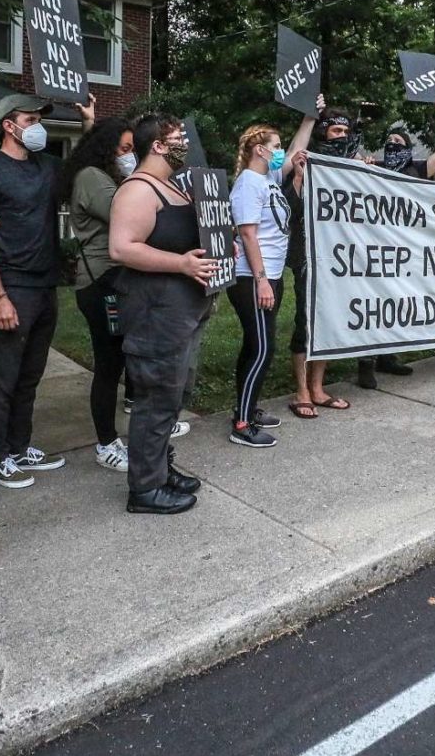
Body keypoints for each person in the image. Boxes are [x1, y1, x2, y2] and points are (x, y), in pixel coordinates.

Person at [0, 93, 84, 488]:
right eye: (29, 118)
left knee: (31, 373)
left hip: (44, 283)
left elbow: (82, 170)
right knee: (5, 373)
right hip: (11, 285)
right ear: (8, 125)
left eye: (39, 119)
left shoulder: (45, 167)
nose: (37, 125)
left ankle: (19, 447)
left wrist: (88, 122)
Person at [109, 114, 219, 514]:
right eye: (177, 139)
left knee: (172, 397)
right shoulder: (137, 190)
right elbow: (122, 248)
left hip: (184, 311)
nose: (184, 145)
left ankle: (158, 468)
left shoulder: (172, 186)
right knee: (155, 398)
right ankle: (145, 490)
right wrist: (181, 265)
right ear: (156, 145)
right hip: (155, 311)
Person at [356, 99, 435, 381]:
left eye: (399, 141)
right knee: (373, 303)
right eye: (389, 140)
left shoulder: (417, 169)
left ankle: (388, 356)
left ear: (409, 148)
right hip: (377, 247)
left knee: (396, 302)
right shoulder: (376, 168)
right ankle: (365, 362)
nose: (393, 143)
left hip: (406, 250)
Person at [65, 115, 139, 470]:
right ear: (108, 149)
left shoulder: (108, 177)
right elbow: (130, 216)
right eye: (125, 149)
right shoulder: (92, 178)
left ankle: (119, 434)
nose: (130, 156)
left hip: (114, 281)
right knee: (108, 365)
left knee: (119, 359)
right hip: (101, 285)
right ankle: (106, 443)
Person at [227, 124, 293, 448]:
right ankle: (241, 423)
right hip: (251, 278)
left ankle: (247, 409)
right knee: (263, 349)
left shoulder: (268, 180)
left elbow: (295, 156)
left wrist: (310, 117)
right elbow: (248, 234)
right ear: (260, 149)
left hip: (270, 276)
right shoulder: (248, 184)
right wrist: (261, 280)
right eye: (277, 145)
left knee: (254, 346)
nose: (281, 151)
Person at [288, 101, 356, 410]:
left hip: (339, 256)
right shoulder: (306, 162)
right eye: (336, 130)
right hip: (308, 255)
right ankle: (301, 391)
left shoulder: (351, 164)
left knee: (329, 320)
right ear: (323, 133)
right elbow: (291, 210)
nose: (341, 136)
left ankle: (318, 388)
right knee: (305, 320)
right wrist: (300, 177)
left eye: (346, 131)